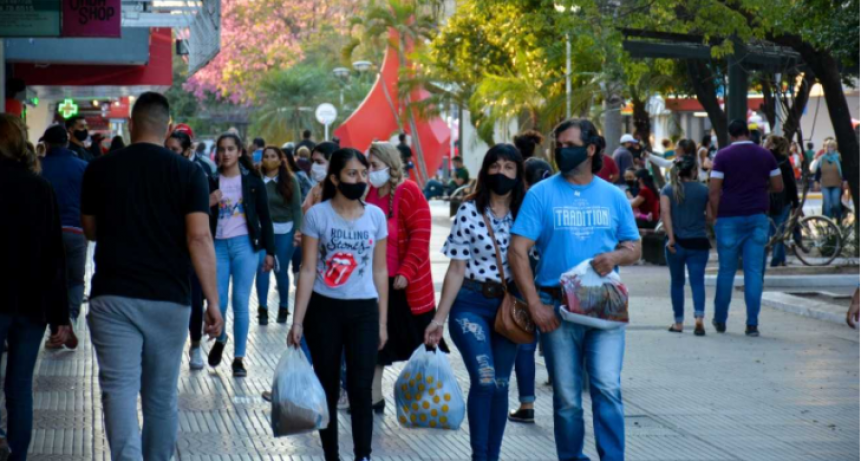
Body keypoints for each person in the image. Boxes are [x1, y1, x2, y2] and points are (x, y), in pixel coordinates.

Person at [80, 92, 224, 459]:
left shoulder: (99, 168)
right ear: (169, 127)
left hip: (113, 296)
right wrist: (213, 302)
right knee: (160, 395)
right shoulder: (189, 173)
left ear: (131, 124)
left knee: (119, 390)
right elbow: (199, 236)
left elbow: (91, 229)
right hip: (169, 298)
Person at [509, 118, 641, 461]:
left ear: (591, 148)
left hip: (605, 309)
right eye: (559, 145)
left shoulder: (613, 196)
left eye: (569, 145)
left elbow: (634, 247)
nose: (560, 151)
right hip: (557, 310)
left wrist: (614, 256)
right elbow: (517, 250)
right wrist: (535, 305)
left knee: (607, 389)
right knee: (567, 398)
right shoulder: (541, 194)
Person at [424, 144, 526, 461]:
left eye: (509, 167)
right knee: (483, 379)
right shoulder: (469, 210)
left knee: (499, 383)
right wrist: (438, 320)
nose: (501, 173)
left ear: (518, 173)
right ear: (484, 171)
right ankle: (479, 457)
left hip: (510, 308)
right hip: (470, 304)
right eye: (495, 166)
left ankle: (491, 456)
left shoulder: (527, 211)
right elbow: (456, 269)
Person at [288, 148, 389, 461]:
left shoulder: (375, 216)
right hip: (324, 310)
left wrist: (382, 321)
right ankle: (330, 454)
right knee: (327, 388)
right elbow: (307, 269)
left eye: (363, 173)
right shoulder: (317, 215)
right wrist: (297, 321)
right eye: (352, 174)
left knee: (361, 389)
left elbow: (380, 270)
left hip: (364, 311)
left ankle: (363, 455)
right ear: (335, 178)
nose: (361, 179)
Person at [0, 114, 72, 461]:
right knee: (19, 388)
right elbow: (52, 255)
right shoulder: (39, 187)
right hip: (32, 303)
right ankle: (17, 456)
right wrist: (60, 314)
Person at [365, 142, 444, 413]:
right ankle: (373, 397)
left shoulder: (407, 191)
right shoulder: (368, 193)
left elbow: (421, 236)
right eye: (368, 166)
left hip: (406, 285)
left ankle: (431, 394)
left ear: (389, 164)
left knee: (421, 340)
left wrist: (407, 272)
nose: (370, 172)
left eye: (374, 166)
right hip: (376, 282)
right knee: (377, 340)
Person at [208, 133, 276, 377]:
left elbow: (265, 217)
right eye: (222, 149)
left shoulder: (252, 181)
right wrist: (209, 202)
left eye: (230, 149)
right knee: (219, 302)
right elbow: (196, 213)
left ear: (239, 152)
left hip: (245, 246)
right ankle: (221, 337)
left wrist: (270, 252)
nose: (226, 153)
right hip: (217, 246)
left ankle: (239, 358)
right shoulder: (210, 180)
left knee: (240, 302)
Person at [709, 119, 783, 337]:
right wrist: (760, 188)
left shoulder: (722, 156)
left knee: (726, 271)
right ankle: (752, 324)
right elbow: (778, 186)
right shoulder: (765, 155)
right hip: (757, 217)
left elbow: (714, 190)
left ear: (731, 135)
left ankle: (720, 319)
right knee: (753, 272)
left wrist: (715, 216)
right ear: (748, 134)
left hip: (729, 218)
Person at [165, 130, 220, 370]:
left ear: (188, 151)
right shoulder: (158, 175)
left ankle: (195, 345)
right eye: (166, 149)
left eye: (175, 151)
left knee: (195, 301)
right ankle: (170, 349)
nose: (169, 155)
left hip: (193, 248)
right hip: (167, 250)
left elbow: (207, 222)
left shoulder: (201, 172)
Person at [509, 157, 553, 424]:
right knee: (557, 343)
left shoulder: (518, 206)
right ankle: (562, 389)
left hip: (523, 285)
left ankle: (527, 404)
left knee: (525, 345)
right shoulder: (556, 203)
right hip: (552, 285)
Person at [39, 125, 88, 351]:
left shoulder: (38, 167)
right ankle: (71, 318)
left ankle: (55, 331)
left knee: (49, 279)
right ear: (67, 143)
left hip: (47, 232)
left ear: (47, 144)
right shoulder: (82, 167)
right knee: (75, 280)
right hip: (76, 231)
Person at [661, 155, 711, 335]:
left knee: (677, 282)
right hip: (699, 242)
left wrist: (671, 237)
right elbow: (711, 217)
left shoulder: (667, 190)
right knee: (697, 281)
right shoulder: (703, 190)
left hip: (677, 243)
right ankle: (699, 318)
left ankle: (679, 322)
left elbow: (665, 213)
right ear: (695, 171)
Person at [255, 146, 302, 325]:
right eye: (266, 156)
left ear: (280, 159)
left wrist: (298, 230)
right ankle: (263, 309)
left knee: (279, 268)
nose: (269, 159)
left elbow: (297, 208)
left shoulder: (291, 180)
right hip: (263, 230)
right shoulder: (257, 179)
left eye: (273, 156)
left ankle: (283, 306)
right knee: (262, 267)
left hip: (285, 229)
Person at [764, 135, 799, 268]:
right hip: (784, 201)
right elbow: (791, 183)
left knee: (771, 231)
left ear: (772, 145)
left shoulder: (765, 158)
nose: (764, 143)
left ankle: (777, 259)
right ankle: (779, 258)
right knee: (779, 231)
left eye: (766, 141)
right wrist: (795, 203)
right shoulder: (784, 160)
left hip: (768, 200)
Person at [302, 142, 339, 213]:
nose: (314, 166)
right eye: (313, 161)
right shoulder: (316, 189)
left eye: (319, 162)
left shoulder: (343, 192)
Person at [814, 139, 844, 222]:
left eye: (830, 146)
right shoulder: (822, 158)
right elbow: (818, 171)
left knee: (836, 203)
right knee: (826, 204)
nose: (828, 148)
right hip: (825, 185)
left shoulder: (838, 158)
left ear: (834, 148)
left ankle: (839, 219)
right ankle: (828, 222)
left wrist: (845, 181)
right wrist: (816, 181)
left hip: (836, 184)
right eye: (826, 146)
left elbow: (843, 171)